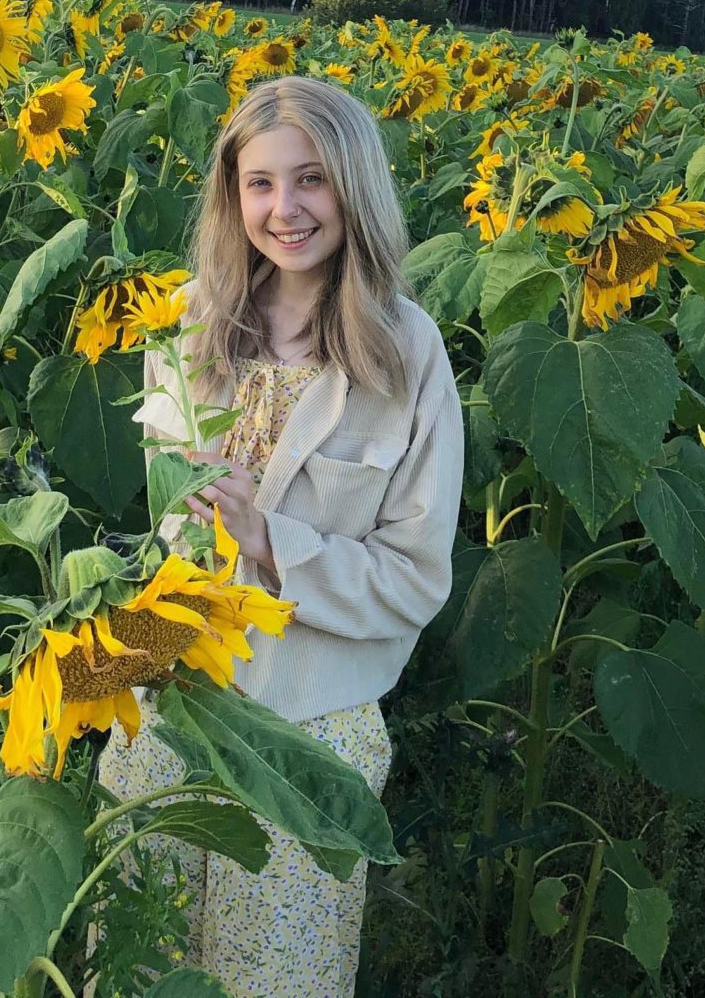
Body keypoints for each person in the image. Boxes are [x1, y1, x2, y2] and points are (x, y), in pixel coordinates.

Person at [98, 73, 463, 998]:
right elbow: (171, 532)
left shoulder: (406, 353)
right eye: (260, 183)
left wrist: (270, 540)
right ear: (233, 195)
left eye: (310, 180)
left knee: (279, 979)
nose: (284, 209)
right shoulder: (185, 324)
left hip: (311, 732)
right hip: (168, 694)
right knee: (137, 961)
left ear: (353, 187)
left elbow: (415, 580)